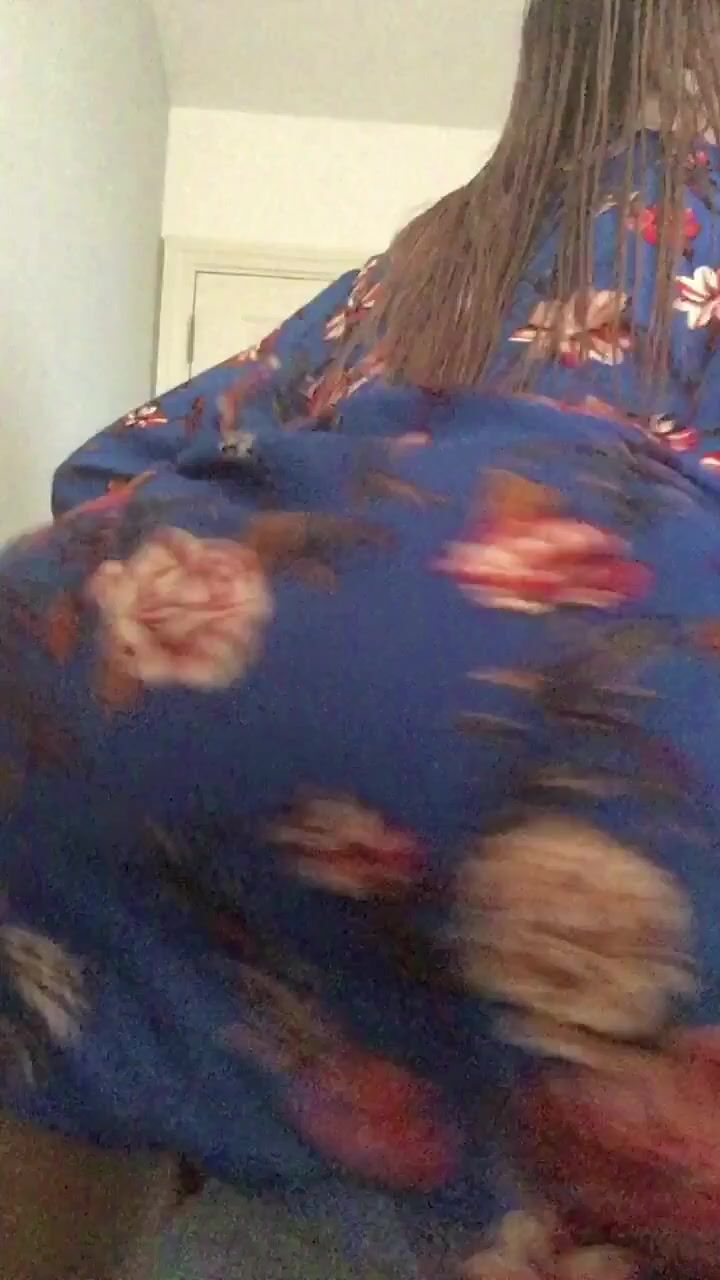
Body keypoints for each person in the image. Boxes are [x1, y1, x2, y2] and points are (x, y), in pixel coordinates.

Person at [6, 1, 720, 1276]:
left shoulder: (428, 256)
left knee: (95, 994)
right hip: (620, 665)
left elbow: (103, 475)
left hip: (192, 644)